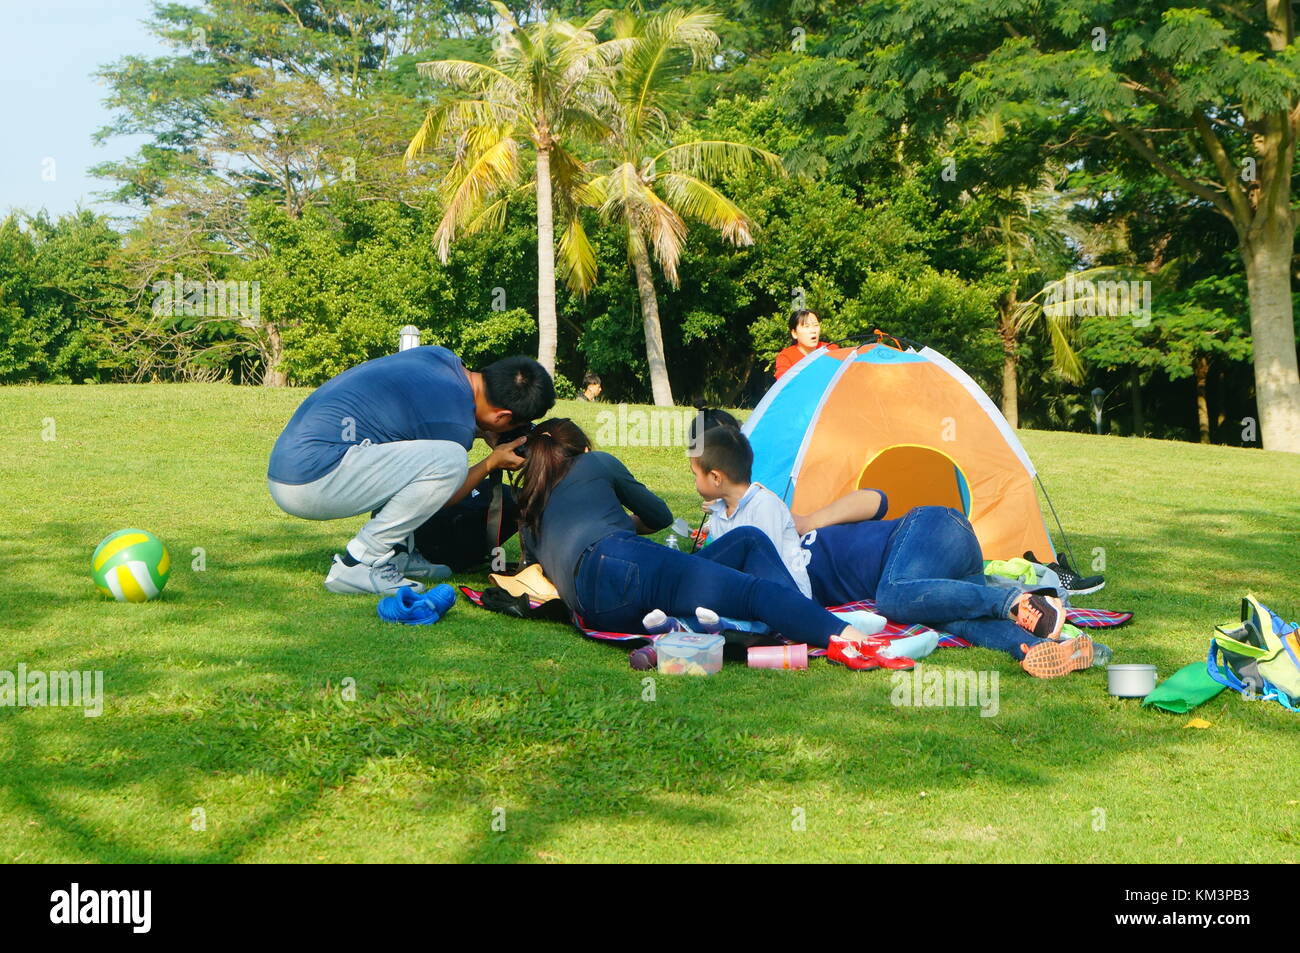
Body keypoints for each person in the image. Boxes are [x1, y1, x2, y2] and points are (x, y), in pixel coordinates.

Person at [689, 423, 1092, 678]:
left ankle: (1014, 600)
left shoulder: (783, 522)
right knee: (951, 619)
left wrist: (809, 520)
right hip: (936, 575)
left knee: (894, 596)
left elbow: (877, 498)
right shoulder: (783, 588)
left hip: (930, 528)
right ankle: (1049, 649)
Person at [514, 418, 895, 665]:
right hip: (620, 559)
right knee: (753, 592)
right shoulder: (595, 462)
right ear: (582, 449)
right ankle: (852, 638)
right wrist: (623, 523)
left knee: (747, 540)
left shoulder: (529, 512)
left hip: (596, 609)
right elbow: (659, 515)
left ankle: (793, 614)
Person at [267, 347, 554, 595]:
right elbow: (447, 495)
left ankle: (398, 555)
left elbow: (412, 418)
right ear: (503, 416)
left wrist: (483, 431)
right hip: (310, 481)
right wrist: (492, 462)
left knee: (411, 449)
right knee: (449, 460)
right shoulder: (454, 424)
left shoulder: (440, 357)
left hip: (293, 462)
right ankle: (359, 564)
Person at [774, 309, 831, 379]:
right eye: (806, 326)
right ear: (794, 333)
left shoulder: (831, 349)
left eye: (816, 325)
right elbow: (784, 382)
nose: (813, 330)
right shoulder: (786, 357)